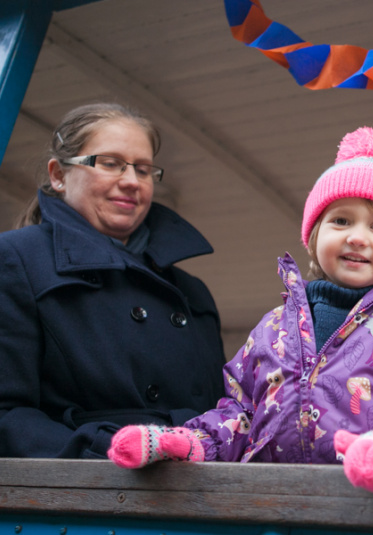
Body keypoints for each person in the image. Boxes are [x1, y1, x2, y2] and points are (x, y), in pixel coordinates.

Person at [107, 126, 373, 493]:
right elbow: (240, 411)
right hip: (274, 508)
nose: (357, 237)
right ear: (313, 237)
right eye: (340, 220)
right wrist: (191, 442)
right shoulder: (274, 328)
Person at [0, 102, 226, 459]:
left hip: (194, 482)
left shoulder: (192, 290)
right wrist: (108, 453)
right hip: (89, 483)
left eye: (144, 169)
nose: (131, 181)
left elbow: (223, 413)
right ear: (58, 175)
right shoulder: (15, 259)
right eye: (109, 163)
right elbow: (7, 415)